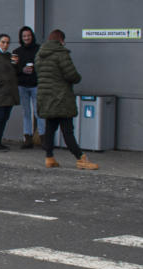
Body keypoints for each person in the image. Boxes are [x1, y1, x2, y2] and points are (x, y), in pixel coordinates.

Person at [35, 29, 98, 170]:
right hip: (61, 97)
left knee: (50, 128)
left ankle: (49, 157)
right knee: (67, 130)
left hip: (45, 97)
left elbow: (39, 74)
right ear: (61, 40)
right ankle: (81, 158)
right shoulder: (61, 54)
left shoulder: (40, 54)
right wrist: (77, 78)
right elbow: (72, 75)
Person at [13, 25, 41, 149]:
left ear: (32, 36)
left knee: (39, 112)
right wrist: (22, 70)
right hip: (22, 86)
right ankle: (27, 138)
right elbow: (12, 69)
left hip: (36, 85)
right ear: (21, 38)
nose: (26, 38)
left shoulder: (39, 49)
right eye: (24, 36)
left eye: (28, 35)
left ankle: (42, 137)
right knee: (26, 112)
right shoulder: (16, 52)